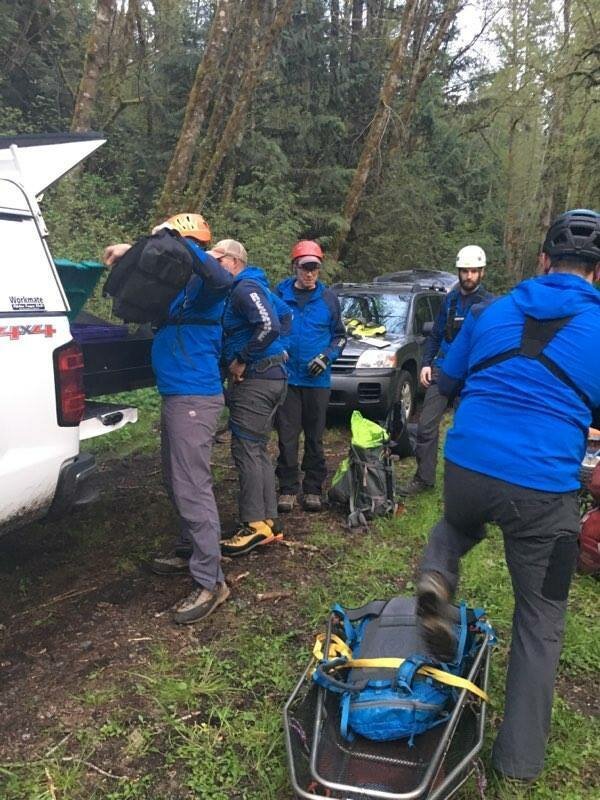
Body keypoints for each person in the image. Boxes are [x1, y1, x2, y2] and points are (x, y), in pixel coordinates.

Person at [415, 209, 600, 782]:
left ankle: (437, 573)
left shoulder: (488, 310)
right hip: (542, 490)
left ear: (542, 261)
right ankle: (517, 765)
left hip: (468, 464)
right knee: (540, 620)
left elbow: (445, 383)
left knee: (455, 526)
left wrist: (420, 432)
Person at [104, 213, 234, 625]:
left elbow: (221, 279)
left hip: (195, 396)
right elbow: (149, 274)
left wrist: (184, 244)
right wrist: (130, 252)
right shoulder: (179, 288)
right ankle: (190, 550)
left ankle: (212, 582)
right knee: (174, 479)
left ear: (189, 248)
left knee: (192, 487)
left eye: (176, 250)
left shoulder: (209, 286)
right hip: (177, 394)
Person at [214, 240, 292, 557]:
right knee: (256, 448)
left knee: (245, 448)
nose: (214, 266)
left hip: (257, 380)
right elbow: (286, 317)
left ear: (233, 261)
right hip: (272, 376)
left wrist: (244, 357)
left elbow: (270, 325)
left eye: (218, 260)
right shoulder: (258, 286)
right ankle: (267, 521)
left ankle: (253, 525)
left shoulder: (243, 287)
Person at [400, 245, 493, 495]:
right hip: (442, 369)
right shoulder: (449, 300)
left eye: (474, 271)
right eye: (465, 271)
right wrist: (426, 364)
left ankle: (467, 484)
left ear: (482, 273)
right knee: (426, 426)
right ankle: (424, 477)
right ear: (459, 271)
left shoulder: (488, 304)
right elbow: (436, 334)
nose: (469, 276)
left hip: (472, 375)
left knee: (469, 431)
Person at [274, 240, 346, 512]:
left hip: (317, 380)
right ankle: (288, 487)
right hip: (288, 378)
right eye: (305, 268)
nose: (309, 274)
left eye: (314, 268)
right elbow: (269, 328)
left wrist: (327, 357)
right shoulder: (280, 295)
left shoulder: (328, 299)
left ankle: (313, 487)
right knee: (287, 435)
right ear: (295, 267)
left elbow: (340, 337)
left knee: (315, 436)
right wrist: (278, 349)